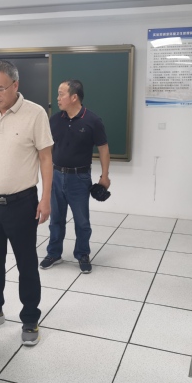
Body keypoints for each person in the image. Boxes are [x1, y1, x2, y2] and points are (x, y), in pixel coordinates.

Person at [0, 60, 53, 346]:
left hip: (22, 203)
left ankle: (30, 318)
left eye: (0, 89)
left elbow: (46, 159)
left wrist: (45, 199)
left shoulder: (35, 114)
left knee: (26, 264)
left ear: (15, 85)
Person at [39, 79, 110, 274]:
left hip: (79, 178)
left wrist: (105, 176)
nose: (57, 98)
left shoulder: (92, 120)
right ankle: (54, 253)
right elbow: (47, 150)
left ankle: (82, 254)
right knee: (56, 219)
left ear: (74, 97)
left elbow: (103, 149)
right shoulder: (54, 120)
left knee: (82, 221)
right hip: (56, 175)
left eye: (61, 94)